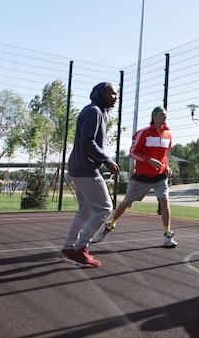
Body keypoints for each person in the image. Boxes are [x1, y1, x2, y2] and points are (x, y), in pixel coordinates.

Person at [94, 106, 177, 247]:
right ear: (154, 117)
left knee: (164, 201)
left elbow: (165, 155)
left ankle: (167, 235)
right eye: (162, 114)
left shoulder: (168, 134)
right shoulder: (143, 133)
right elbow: (132, 153)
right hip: (141, 177)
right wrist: (149, 160)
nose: (165, 117)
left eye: (166, 115)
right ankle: (110, 224)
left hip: (159, 177)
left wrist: (166, 166)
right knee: (126, 202)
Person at [60, 82, 120, 268]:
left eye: (117, 94)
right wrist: (107, 160)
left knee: (85, 210)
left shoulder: (99, 112)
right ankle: (80, 249)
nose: (116, 97)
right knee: (104, 208)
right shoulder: (94, 111)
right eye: (112, 93)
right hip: (86, 169)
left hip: (78, 167)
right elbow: (88, 142)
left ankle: (69, 247)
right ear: (101, 94)